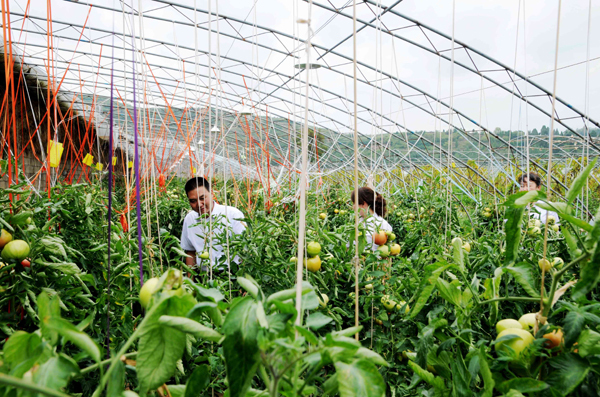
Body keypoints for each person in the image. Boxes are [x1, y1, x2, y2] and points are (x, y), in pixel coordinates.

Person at [181, 177, 246, 271]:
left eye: (202, 198)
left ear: (211, 194)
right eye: (193, 201)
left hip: (230, 274)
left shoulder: (232, 215)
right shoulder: (190, 219)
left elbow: (244, 249)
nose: (199, 204)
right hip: (202, 276)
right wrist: (190, 283)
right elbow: (190, 252)